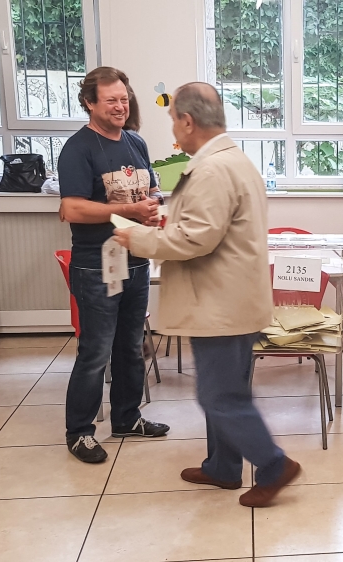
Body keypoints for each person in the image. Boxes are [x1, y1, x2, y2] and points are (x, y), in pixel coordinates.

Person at [114, 82, 300, 508]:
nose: (173, 130)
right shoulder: (227, 161)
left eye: (173, 120)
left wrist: (137, 237)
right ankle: (222, 467)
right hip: (227, 297)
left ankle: (273, 465)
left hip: (220, 302)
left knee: (218, 395)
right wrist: (165, 218)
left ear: (188, 120)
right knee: (227, 390)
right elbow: (204, 223)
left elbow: (196, 238)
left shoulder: (214, 168)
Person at [57, 66, 169, 464]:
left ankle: (126, 418)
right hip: (96, 264)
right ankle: (79, 432)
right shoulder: (78, 148)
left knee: (131, 346)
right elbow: (69, 208)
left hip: (137, 259)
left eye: (124, 98)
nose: (121, 106)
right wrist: (128, 209)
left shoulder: (136, 142)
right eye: (111, 100)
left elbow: (150, 190)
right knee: (95, 351)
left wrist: (155, 209)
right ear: (89, 103)